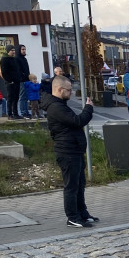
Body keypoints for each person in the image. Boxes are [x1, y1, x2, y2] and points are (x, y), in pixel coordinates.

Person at [45, 75, 97, 228]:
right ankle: (73, 217)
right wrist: (88, 108)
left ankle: (82, 213)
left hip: (75, 150)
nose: (71, 93)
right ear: (60, 90)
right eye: (69, 90)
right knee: (71, 186)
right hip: (67, 152)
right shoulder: (55, 107)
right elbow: (77, 121)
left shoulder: (60, 104)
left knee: (80, 184)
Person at [0, 45, 22, 119]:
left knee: (16, 98)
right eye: (12, 50)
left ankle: (15, 113)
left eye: (14, 50)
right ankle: (9, 114)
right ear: (8, 51)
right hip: (10, 82)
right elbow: (4, 72)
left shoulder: (14, 59)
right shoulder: (4, 59)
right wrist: (9, 80)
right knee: (10, 98)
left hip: (17, 81)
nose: (13, 52)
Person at [16, 44, 32, 117]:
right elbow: (18, 71)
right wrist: (23, 77)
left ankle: (26, 111)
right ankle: (23, 112)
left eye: (25, 49)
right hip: (22, 80)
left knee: (26, 97)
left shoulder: (24, 59)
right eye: (22, 49)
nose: (24, 51)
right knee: (22, 97)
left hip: (27, 80)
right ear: (19, 50)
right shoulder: (17, 58)